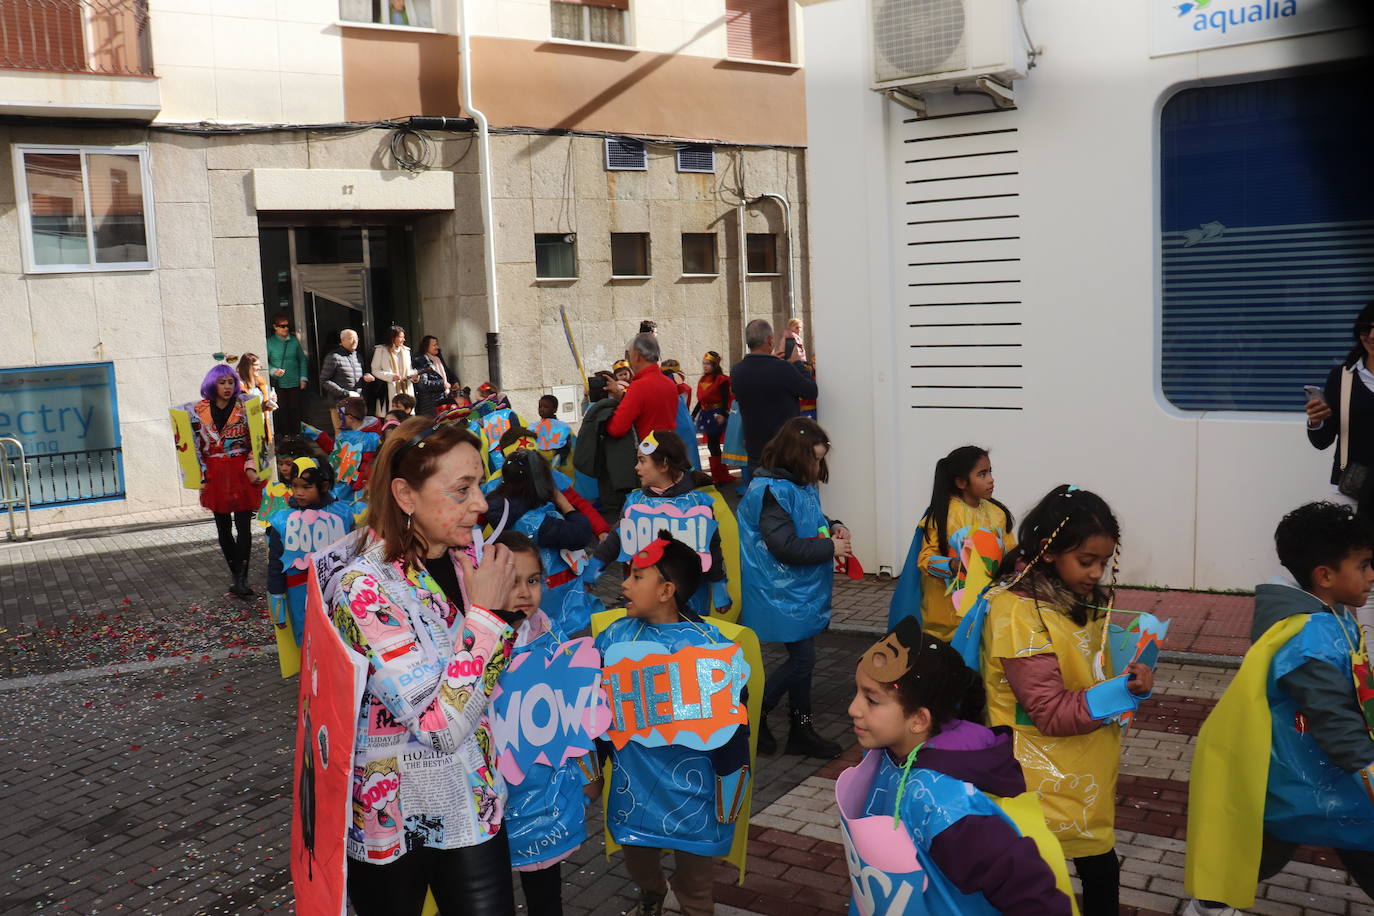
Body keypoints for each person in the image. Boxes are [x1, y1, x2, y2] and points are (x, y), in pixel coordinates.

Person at [327, 416, 522, 916]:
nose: (480, 503)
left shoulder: (466, 561)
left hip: (472, 805)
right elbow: (437, 727)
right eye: (462, 489)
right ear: (405, 495)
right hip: (393, 820)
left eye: (481, 484)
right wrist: (487, 618)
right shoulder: (363, 587)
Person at [1185, 501, 1374, 913]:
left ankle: (1211, 904)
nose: (1371, 576)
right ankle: (1210, 906)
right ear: (1325, 576)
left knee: (1330, 839)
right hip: (1295, 770)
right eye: (1363, 565)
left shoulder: (1330, 614)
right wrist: (1368, 766)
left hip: (1313, 769)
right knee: (1268, 843)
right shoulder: (1309, 637)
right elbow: (1333, 716)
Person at [980, 485, 1153, 915]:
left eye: (1104, 562)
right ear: (1049, 551)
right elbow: (1049, 712)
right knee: (1043, 876)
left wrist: (1134, 678)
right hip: (1036, 774)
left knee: (1096, 864)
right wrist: (1120, 693)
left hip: (1080, 766)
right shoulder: (1018, 613)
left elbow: (1094, 670)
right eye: (1086, 561)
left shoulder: (1082, 600)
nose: (1096, 573)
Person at [842, 618, 1075, 915]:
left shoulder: (941, 802)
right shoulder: (892, 748)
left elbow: (1023, 882)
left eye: (871, 700)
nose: (853, 708)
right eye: (858, 692)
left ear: (919, 720)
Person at [593, 533, 750, 916]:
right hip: (635, 794)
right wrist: (592, 770)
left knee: (698, 893)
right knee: (641, 869)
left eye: (636, 577)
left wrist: (731, 786)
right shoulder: (613, 639)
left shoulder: (711, 647)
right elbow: (594, 714)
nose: (624, 584)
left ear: (666, 590)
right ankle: (652, 895)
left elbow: (733, 728)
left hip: (695, 800)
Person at [496, 531, 601, 916]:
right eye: (512, 581)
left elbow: (578, 715)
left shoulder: (550, 635)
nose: (525, 592)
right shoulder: (470, 642)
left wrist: (588, 772)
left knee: (545, 898)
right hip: (491, 798)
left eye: (533, 580)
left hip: (544, 799)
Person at [737, 417, 849, 758]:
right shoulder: (773, 491)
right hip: (778, 591)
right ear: (796, 456)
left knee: (804, 659)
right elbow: (783, 545)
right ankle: (756, 714)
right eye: (814, 458)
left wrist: (834, 525)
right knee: (802, 661)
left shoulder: (794, 486)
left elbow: (809, 520)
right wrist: (831, 548)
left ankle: (800, 728)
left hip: (794, 591)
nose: (818, 465)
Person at [588, 431, 731, 617]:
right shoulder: (636, 502)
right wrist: (594, 567)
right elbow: (618, 536)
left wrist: (719, 585)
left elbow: (711, 547)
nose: (636, 467)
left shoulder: (697, 503)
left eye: (642, 460)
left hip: (689, 596)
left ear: (663, 464)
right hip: (643, 595)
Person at [889, 446, 1016, 639]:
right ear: (961, 482)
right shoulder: (943, 515)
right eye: (982, 474)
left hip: (983, 611)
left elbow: (1010, 551)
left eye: (990, 472)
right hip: (943, 619)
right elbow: (925, 560)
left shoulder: (997, 513)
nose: (991, 479)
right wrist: (953, 565)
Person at [484, 449, 596, 635]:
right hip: (556, 607)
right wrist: (564, 503)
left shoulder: (503, 506)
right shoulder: (532, 521)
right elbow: (580, 534)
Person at [190, 365, 266, 598]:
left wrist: (253, 467)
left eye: (230, 382)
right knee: (223, 528)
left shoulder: (248, 406)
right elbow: (192, 447)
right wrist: (199, 475)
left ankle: (241, 578)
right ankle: (236, 576)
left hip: (242, 471)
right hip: (214, 473)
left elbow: (258, 440)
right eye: (222, 382)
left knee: (244, 528)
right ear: (213, 384)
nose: (227, 387)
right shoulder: (197, 410)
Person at [265, 456, 354, 649]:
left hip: (338, 593)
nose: (299, 492)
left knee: (342, 645)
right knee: (309, 647)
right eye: (295, 486)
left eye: (306, 487)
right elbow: (275, 565)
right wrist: (277, 607)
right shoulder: (283, 521)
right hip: (299, 595)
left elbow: (355, 557)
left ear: (323, 486)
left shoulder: (343, 514)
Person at [1308, 302, 1374, 523]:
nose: (1372, 336)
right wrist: (1317, 421)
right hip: (1352, 487)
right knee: (1353, 555)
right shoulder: (1342, 377)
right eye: (1367, 329)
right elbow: (1323, 440)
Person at [730, 319, 818, 477]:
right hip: (786, 448)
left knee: (761, 493)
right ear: (770, 340)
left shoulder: (736, 371)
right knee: (787, 497)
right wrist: (797, 363)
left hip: (756, 448)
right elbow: (811, 391)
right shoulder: (783, 368)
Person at [605, 333, 680, 443]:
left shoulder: (639, 386)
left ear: (636, 356)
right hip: (668, 450)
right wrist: (622, 396)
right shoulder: (669, 383)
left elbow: (616, 429)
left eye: (629, 356)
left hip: (648, 454)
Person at [319, 329, 373, 434]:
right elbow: (324, 380)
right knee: (342, 435)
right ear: (342, 340)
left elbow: (357, 376)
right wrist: (345, 393)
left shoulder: (358, 356)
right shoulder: (334, 356)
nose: (354, 341)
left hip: (357, 404)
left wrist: (365, 377)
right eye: (350, 338)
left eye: (356, 338)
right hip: (339, 404)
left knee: (359, 433)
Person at [694, 351, 733, 485]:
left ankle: (720, 475)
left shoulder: (721, 379)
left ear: (715, 365)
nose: (705, 366)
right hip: (706, 414)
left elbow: (725, 398)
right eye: (704, 363)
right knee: (713, 444)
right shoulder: (703, 380)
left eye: (708, 364)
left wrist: (722, 414)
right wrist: (693, 414)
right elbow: (701, 400)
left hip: (717, 414)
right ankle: (720, 474)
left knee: (714, 444)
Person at [266, 313, 308, 437]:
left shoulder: (294, 341)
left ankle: (296, 435)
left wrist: (303, 378)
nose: (285, 328)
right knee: (281, 409)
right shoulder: (269, 342)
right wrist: (273, 371)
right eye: (282, 326)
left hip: (294, 381)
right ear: (275, 327)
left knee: (295, 409)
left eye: (287, 326)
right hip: (278, 382)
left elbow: (302, 360)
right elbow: (264, 362)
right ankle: (283, 435)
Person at [371, 325, 417, 414]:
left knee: (406, 416)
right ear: (392, 337)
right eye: (400, 337)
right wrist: (391, 376)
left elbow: (409, 370)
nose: (403, 340)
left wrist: (414, 376)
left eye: (404, 337)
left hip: (406, 389)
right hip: (389, 389)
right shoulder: (381, 350)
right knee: (392, 416)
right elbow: (375, 370)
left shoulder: (406, 351)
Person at [413, 334, 459, 416]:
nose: (437, 347)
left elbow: (446, 371)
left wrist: (455, 381)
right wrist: (443, 384)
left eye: (437, 344)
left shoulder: (437, 358)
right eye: (434, 345)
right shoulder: (421, 361)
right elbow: (423, 384)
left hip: (441, 400)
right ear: (426, 346)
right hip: (430, 404)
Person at [236, 352, 276, 441]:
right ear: (248, 366)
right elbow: (242, 409)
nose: (259, 368)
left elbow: (263, 406)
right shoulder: (238, 385)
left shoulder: (261, 381)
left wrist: (271, 401)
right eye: (256, 365)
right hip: (246, 430)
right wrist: (263, 407)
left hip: (261, 426)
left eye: (259, 365)